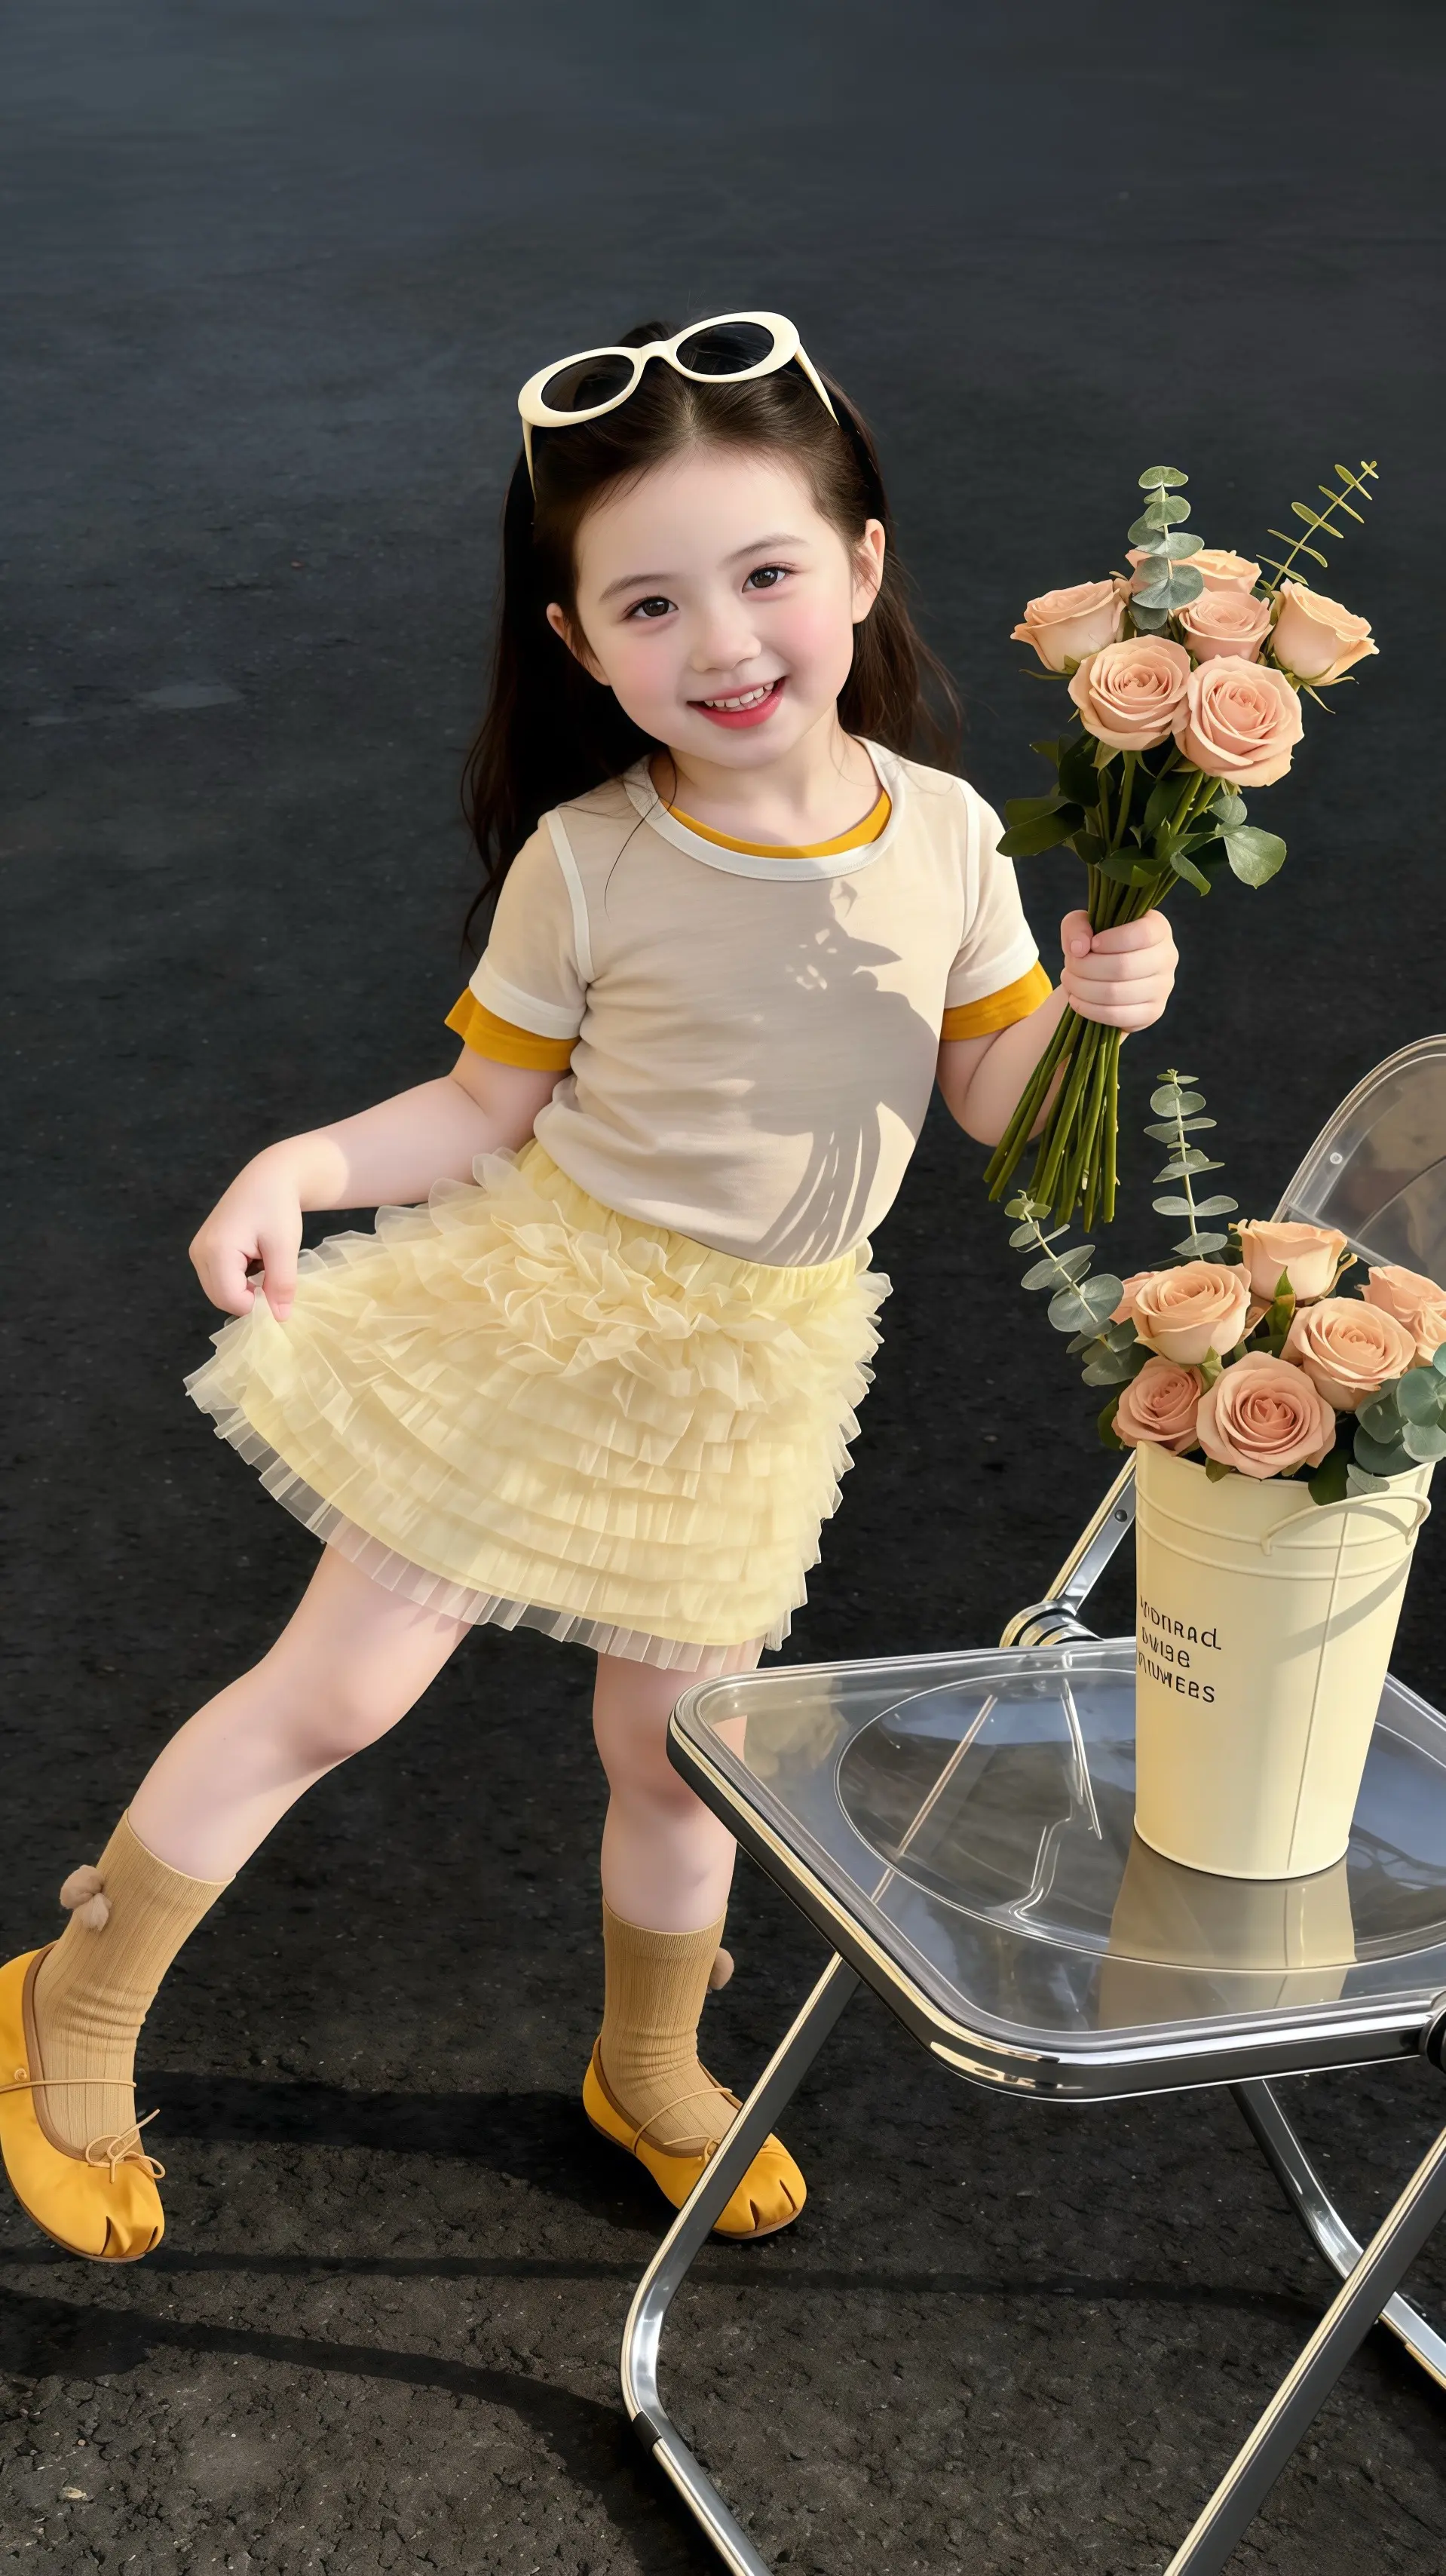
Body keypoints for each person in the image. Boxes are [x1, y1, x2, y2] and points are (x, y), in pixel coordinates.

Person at [0, 313, 1177, 2264]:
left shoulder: (948, 838)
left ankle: (645, 2059)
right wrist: (301, 1164)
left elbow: (994, 1100)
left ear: (863, 564)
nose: (722, 642)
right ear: (576, 641)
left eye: (766, 574)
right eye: (649, 604)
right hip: (549, 1311)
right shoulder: (595, 860)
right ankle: (69, 2003)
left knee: (678, 1753)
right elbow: (484, 1105)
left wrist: (1092, 1016)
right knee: (338, 1692)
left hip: (761, 1362)